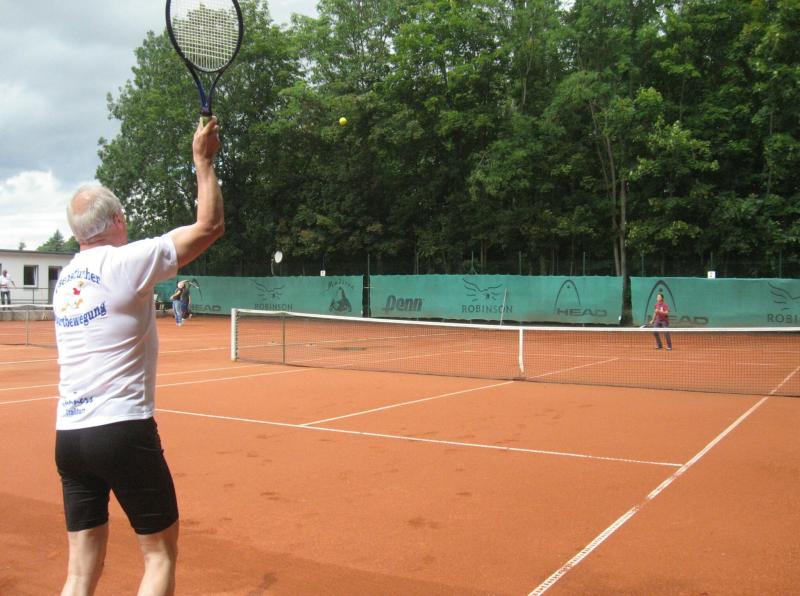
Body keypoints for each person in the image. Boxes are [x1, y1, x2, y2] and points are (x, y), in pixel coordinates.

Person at [52, 117, 224, 596]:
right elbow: (209, 227)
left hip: (69, 437)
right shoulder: (125, 261)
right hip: (122, 429)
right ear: (118, 221)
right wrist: (203, 161)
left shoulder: (65, 280)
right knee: (159, 554)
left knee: (79, 574)